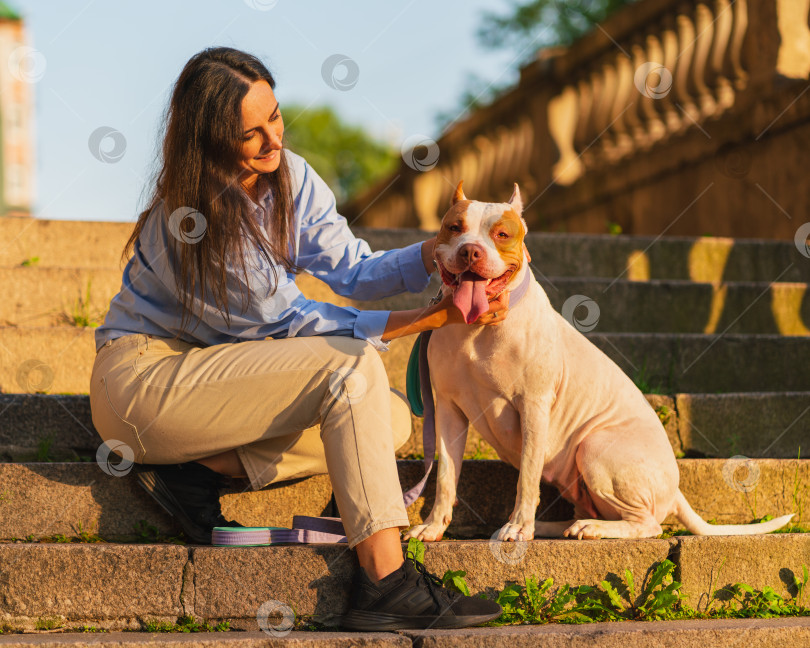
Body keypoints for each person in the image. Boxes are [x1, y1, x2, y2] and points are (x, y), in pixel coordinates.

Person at [89, 46, 508, 631]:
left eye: (276, 117)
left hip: (216, 385)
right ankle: (386, 581)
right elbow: (291, 321)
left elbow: (354, 271)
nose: (272, 141)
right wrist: (428, 320)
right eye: (250, 134)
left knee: (388, 420)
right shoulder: (197, 217)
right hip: (142, 387)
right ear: (209, 139)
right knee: (350, 367)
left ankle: (198, 470)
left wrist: (439, 254)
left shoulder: (289, 177)